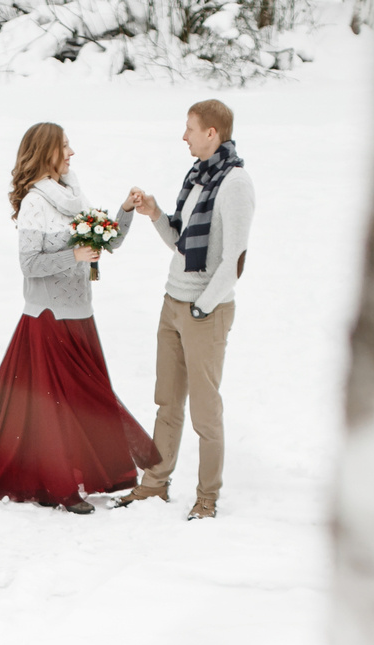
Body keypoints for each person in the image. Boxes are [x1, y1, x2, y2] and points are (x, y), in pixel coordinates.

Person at [0, 122, 158, 514]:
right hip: (47, 318)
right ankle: (60, 487)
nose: (72, 153)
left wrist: (125, 212)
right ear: (47, 153)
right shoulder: (35, 203)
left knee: (87, 399)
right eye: (64, 147)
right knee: (55, 406)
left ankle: (98, 474)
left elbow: (105, 241)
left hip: (81, 313)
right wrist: (73, 256)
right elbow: (29, 264)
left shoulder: (72, 193)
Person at [114, 100, 254, 521]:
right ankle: (155, 484)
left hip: (204, 312)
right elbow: (182, 241)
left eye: (190, 129)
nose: (184, 136)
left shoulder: (235, 184)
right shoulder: (197, 175)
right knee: (167, 402)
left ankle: (207, 497)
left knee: (205, 412)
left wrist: (202, 307)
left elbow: (234, 260)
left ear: (212, 132)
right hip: (172, 303)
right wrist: (156, 213)